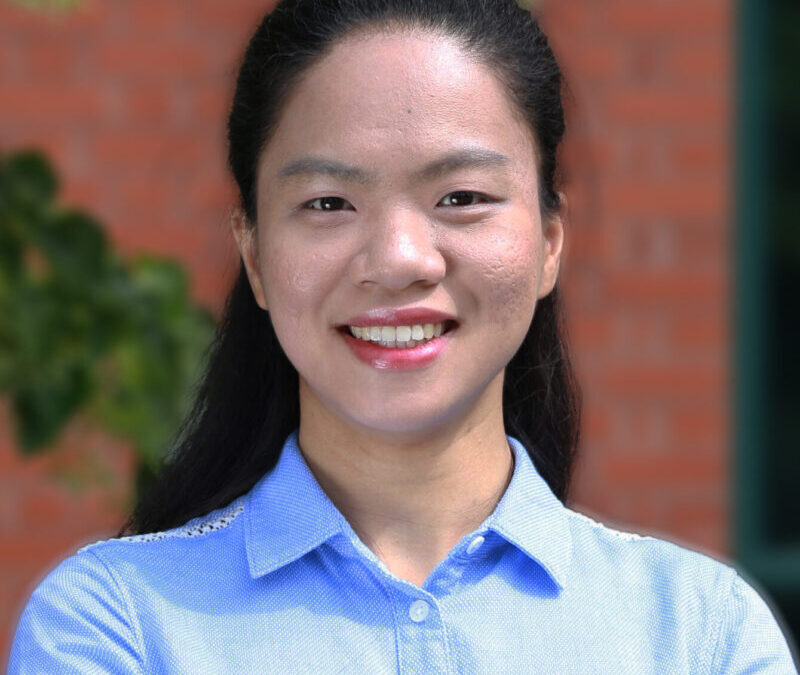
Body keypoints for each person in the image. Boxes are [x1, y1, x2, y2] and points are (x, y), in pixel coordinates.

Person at [8, 0, 797, 672]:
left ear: (550, 240)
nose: (398, 259)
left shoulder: (701, 633)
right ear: (254, 255)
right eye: (328, 203)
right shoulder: (116, 623)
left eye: (462, 196)